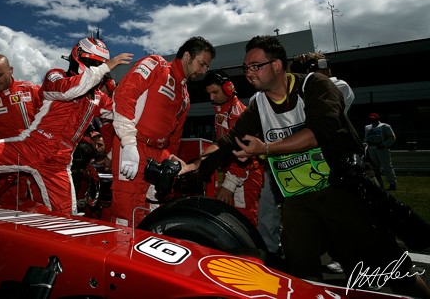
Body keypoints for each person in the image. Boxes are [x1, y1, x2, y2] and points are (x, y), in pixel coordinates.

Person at [176, 35, 429, 296]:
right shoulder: (258, 105)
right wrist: (194, 165)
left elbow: (320, 131)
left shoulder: (315, 85)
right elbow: (229, 141)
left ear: (277, 65)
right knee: (300, 273)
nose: (248, 73)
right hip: (297, 201)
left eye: (255, 66)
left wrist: (267, 148)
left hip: (343, 191)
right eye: (246, 67)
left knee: (394, 270)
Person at [0, 38, 133, 215]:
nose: (94, 69)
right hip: (32, 146)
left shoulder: (98, 98)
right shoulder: (56, 76)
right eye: (91, 63)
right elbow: (67, 91)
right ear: (77, 58)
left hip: (59, 163)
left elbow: (123, 113)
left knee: (64, 219)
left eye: (98, 65)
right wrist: (105, 67)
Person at [110, 36, 215, 227]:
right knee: (126, 213)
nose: (203, 71)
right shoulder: (155, 64)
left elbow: (175, 135)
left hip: (160, 153)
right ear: (186, 56)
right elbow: (124, 94)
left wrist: (171, 158)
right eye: (202, 64)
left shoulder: (185, 97)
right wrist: (128, 142)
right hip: (134, 146)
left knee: (157, 213)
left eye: (206, 67)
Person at [201, 70, 263, 226]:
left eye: (215, 92)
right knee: (230, 220)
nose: (211, 98)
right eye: (209, 93)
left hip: (245, 174)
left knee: (244, 222)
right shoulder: (222, 111)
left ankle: (247, 251)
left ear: (228, 88)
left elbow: (245, 153)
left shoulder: (238, 113)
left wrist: (230, 184)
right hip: (233, 172)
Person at [290, 52, 354, 113]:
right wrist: (291, 65)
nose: (326, 71)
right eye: (322, 69)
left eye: (327, 68)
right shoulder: (305, 88)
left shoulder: (341, 85)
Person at [364, 112, 397, 191]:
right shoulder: (367, 127)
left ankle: (392, 183)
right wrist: (366, 148)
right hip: (372, 149)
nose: (372, 120)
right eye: (371, 118)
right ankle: (379, 184)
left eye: (374, 118)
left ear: (378, 118)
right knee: (375, 168)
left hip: (382, 149)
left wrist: (384, 144)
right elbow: (366, 138)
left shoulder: (385, 126)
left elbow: (392, 138)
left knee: (387, 166)